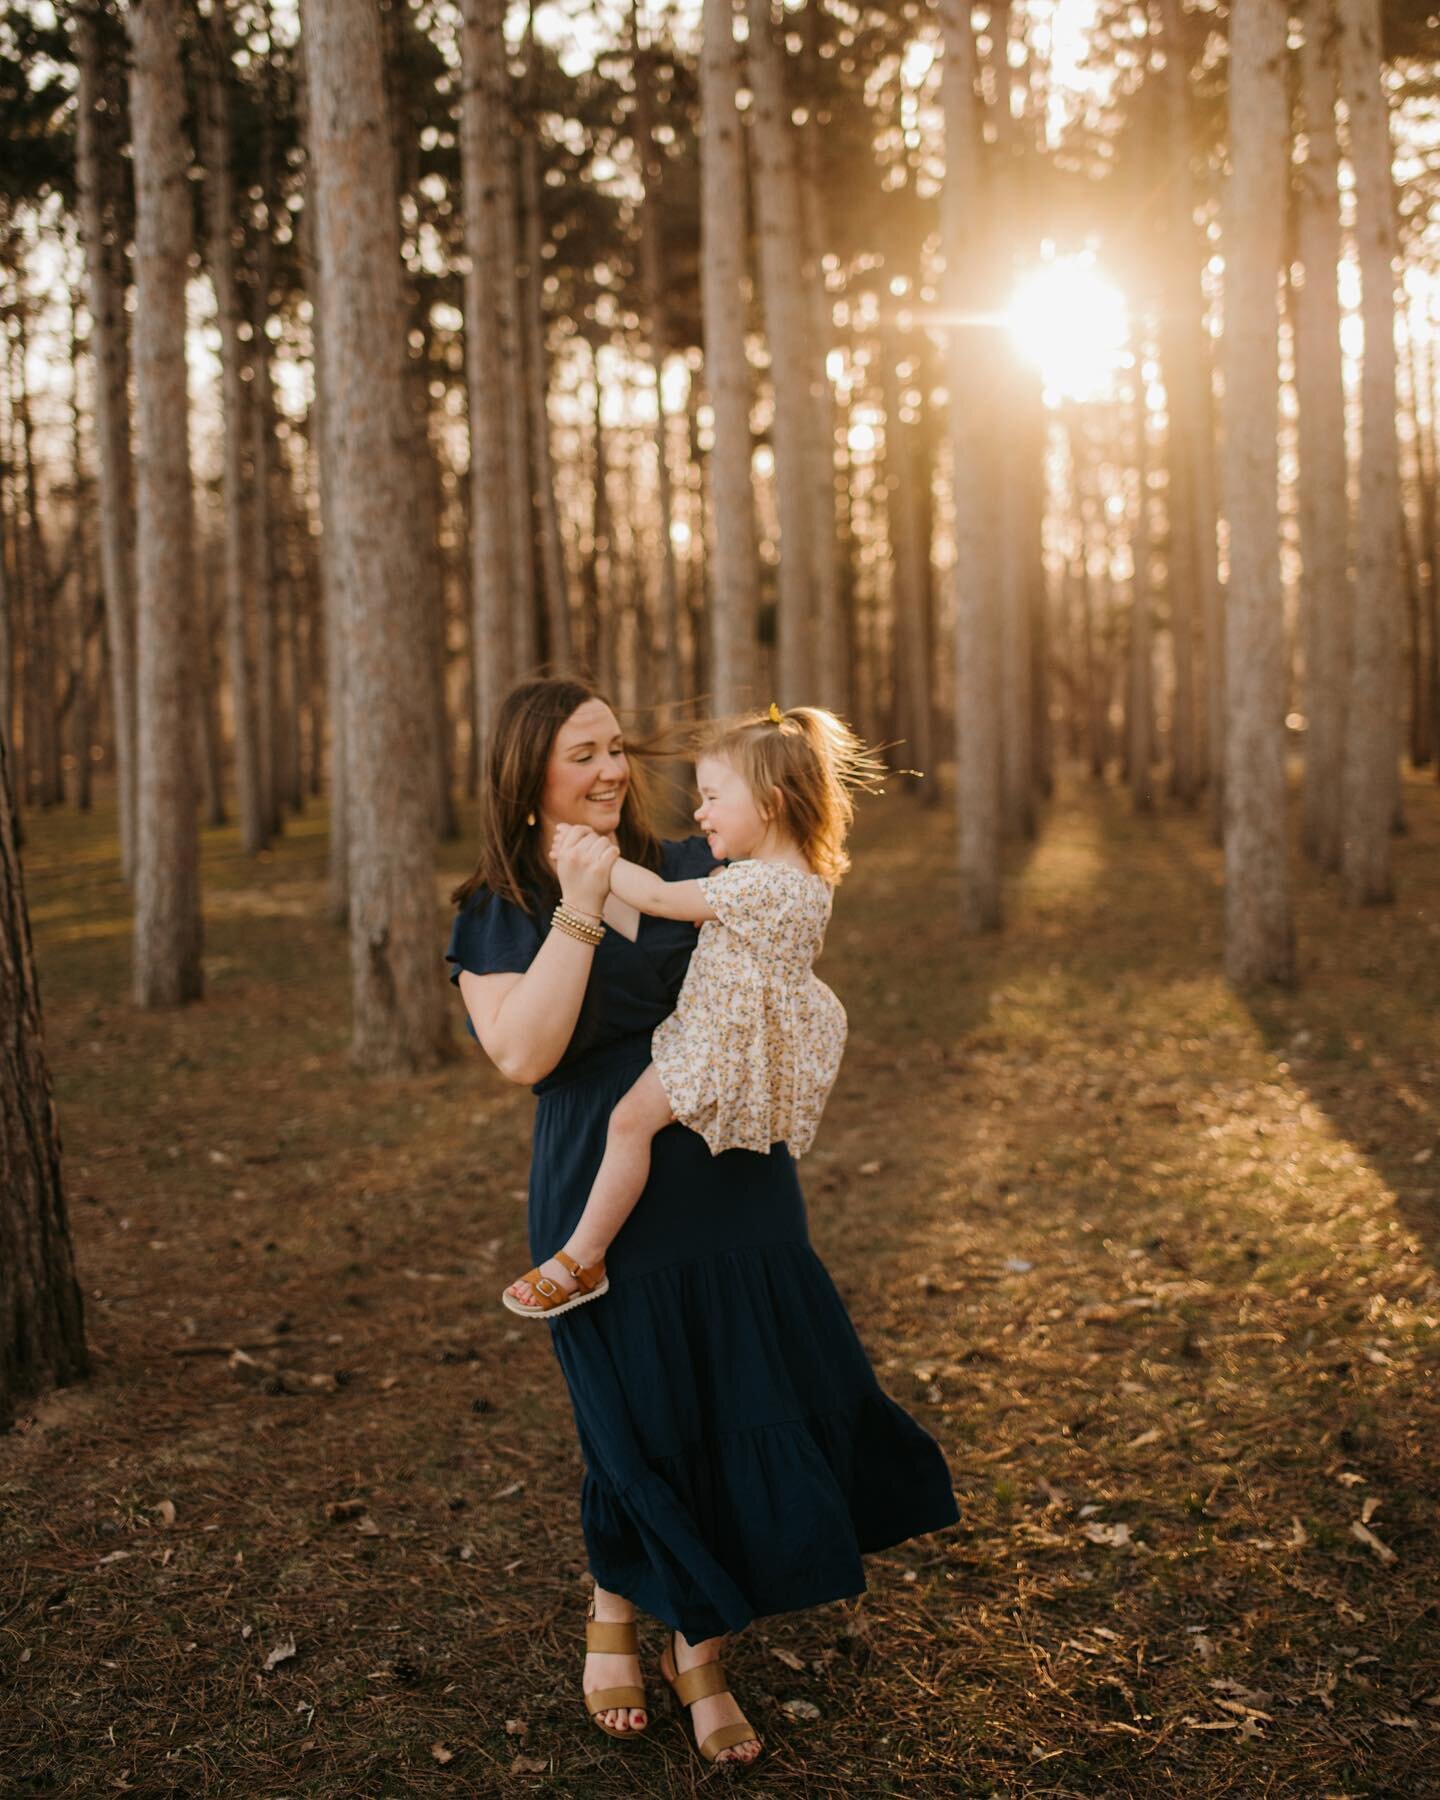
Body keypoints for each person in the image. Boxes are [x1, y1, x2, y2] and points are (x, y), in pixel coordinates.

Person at [445, 676, 960, 1770]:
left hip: (730, 1173)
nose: (612, 770)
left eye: (616, 747)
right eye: (582, 753)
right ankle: (617, 1618)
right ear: (528, 770)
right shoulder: (497, 906)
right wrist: (580, 908)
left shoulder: (694, 864)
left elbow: (774, 950)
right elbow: (524, 1054)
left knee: (731, 1397)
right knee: (635, 1408)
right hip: (602, 1173)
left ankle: (704, 1650)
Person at [500, 702, 880, 1323]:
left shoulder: (758, 885)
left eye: (711, 797)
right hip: (730, 1037)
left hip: (718, 1044)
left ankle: (581, 1257)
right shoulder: (794, 875)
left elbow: (653, 896)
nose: (699, 812)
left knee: (627, 1125)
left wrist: (592, 860)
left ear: (770, 804)